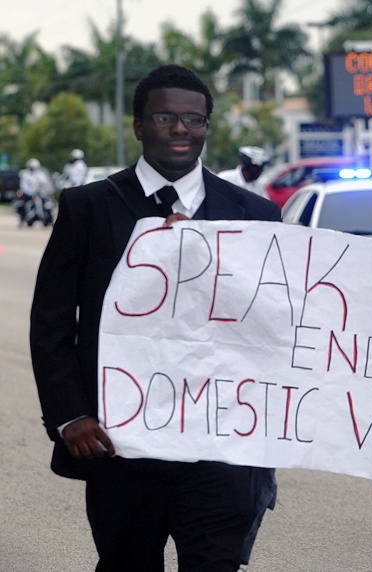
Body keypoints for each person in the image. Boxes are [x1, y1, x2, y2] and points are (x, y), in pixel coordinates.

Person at [30, 64, 281, 572]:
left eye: (195, 119)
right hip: (119, 442)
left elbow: (277, 321)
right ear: (139, 125)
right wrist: (69, 415)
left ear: (208, 125)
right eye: (166, 117)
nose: (182, 129)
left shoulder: (254, 216)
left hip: (222, 443)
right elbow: (52, 322)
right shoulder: (89, 207)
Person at [16, 158, 54, 226]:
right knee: (21, 203)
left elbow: (46, 183)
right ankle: (23, 218)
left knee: (47, 203)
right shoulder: (25, 174)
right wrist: (29, 192)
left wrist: (47, 191)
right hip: (28, 194)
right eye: (30, 167)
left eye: (33, 168)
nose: (31, 169)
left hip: (39, 194)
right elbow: (23, 185)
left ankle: (48, 219)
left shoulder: (41, 175)